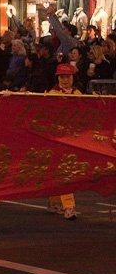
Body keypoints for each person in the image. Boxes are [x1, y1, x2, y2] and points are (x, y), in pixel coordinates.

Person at [48, 63, 80, 220]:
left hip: (74, 138)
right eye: (62, 77)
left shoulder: (79, 94)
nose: (65, 80)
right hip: (58, 138)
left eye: (68, 76)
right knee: (64, 172)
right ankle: (69, 206)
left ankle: (54, 201)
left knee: (60, 172)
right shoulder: (52, 94)